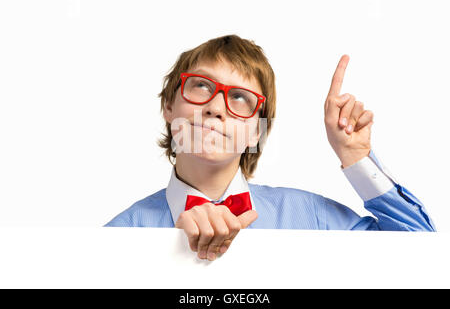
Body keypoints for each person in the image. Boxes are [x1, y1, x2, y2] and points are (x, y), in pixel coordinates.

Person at [104, 34, 436, 261]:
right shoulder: (119, 236)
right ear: (168, 106)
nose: (216, 107)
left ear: (256, 132)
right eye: (201, 86)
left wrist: (356, 157)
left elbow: (426, 260)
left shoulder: (314, 220)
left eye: (239, 97)